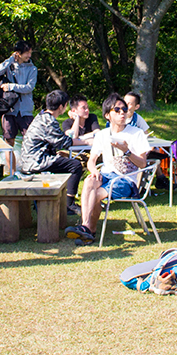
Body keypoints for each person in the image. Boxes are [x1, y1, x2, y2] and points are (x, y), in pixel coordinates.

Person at [66, 93, 149, 243]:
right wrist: (94, 171)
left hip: (126, 180)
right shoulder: (102, 135)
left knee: (95, 194)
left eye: (124, 109)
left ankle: (87, 229)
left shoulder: (136, 134)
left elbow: (143, 164)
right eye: (117, 110)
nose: (122, 112)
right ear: (107, 115)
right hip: (106, 174)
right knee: (89, 182)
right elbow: (92, 160)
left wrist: (127, 151)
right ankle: (87, 229)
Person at [21, 90, 86, 216]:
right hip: (37, 161)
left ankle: (60, 201)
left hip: (30, 160)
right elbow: (64, 143)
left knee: (67, 163)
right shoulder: (49, 121)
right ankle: (69, 204)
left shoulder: (42, 116)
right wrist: (88, 143)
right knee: (75, 165)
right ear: (61, 107)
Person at [0, 41, 37, 143]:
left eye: (30, 53)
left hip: (25, 110)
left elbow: (29, 87)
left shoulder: (32, 69)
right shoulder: (9, 66)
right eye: (27, 53)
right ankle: (9, 160)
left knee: (30, 140)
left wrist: (11, 86)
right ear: (18, 53)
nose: (29, 56)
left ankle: (26, 159)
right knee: (8, 141)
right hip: (9, 109)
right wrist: (10, 59)